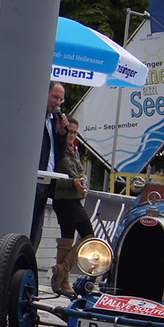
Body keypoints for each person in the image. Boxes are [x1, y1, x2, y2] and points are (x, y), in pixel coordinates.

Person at [50, 117, 95, 293]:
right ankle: (63, 271)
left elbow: (80, 172)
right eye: (70, 131)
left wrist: (81, 180)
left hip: (74, 199)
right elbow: (55, 178)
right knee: (88, 236)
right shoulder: (59, 149)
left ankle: (62, 280)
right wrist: (73, 182)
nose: (72, 135)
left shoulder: (73, 149)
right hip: (64, 200)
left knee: (67, 239)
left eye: (75, 133)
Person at [32, 81, 68, 248]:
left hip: (46, 182)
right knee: (29, 223)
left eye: (61, 99)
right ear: (45, 94)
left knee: (36, 227)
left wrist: (61, 133)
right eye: (55, 97)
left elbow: (59, 155)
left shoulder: (54, 122)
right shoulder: (35, 117)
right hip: (34, 180)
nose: (57, 103)